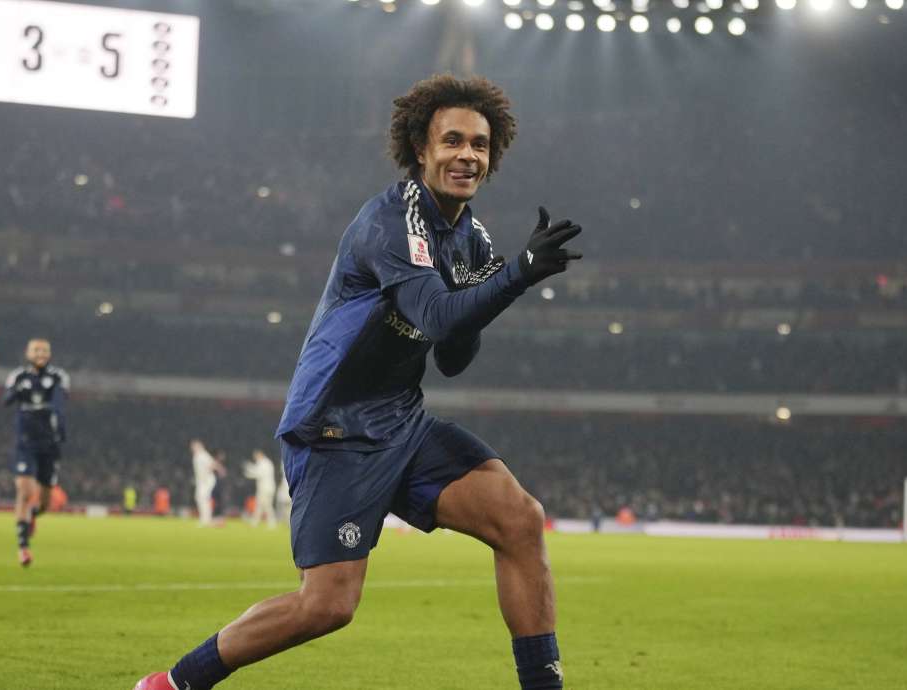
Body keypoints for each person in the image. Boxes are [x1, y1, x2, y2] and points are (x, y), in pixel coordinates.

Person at [136, 75, 582, 690]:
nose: (467, 155)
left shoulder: (470, 236)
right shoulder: (391, 221)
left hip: (401, 419)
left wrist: (487, 288)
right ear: (420, 149)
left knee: (519, 520)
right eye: (452, 140)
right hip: (336, 424)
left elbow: (452, 355)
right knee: (327, 606)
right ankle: (173, 683)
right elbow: (434, 317)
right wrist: (516, 276)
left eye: (480, 145)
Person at [3, 338, 68, 567]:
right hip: (26, 442)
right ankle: (23, 547)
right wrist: (18, 391)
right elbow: (6, 400)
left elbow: (60, 402)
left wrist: (60, 427)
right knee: (24, 490)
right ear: (27, 352)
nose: (40, 353)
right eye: (36, 349)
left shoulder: (59, 376)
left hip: (49, 445)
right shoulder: (18, 376)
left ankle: (31, 516)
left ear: (49, 354)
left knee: (43, 504)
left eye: (44, 350)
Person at [190, 439, 225, 527]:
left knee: (203, 498)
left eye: (194, 446)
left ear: (199, 446)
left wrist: (221, 470)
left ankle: (206, 519)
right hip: (201, 481)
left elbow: (212, 464)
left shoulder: (203, 455)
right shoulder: (197, 456)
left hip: (207, 481)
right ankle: (205, 519)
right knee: (200, 498)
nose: (192, 448)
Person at [242, 449, 277, 528]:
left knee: (267, 506)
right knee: (259, 505)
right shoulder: (265, 462)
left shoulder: (264, 463)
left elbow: (258, 474)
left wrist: (248, 471)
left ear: (259, 455)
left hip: (265, 488)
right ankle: (255, 522)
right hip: (266, 487)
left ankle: (272, 523)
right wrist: (249, 468)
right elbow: (257, 471)